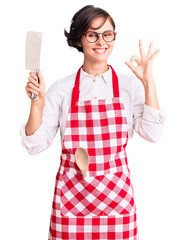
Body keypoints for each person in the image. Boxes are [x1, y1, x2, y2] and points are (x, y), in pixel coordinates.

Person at [20, 5, 165, 240]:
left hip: (116, 201)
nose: (101, 41)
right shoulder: (61, 89)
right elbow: (35, 145)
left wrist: (149, 82)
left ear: (114, 37)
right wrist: (37, 103)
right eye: (92, 34)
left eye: (107, 34)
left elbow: (153, 133)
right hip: (71, 200)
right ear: (79, 40)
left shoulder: (130, 87)